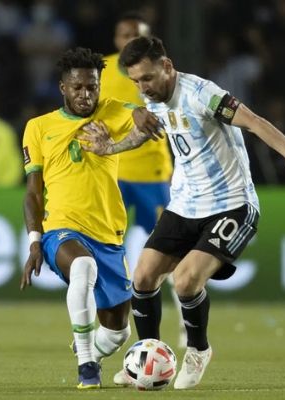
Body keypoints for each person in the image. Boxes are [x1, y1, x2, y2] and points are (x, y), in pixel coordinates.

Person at [80, 36, 285, 389]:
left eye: (148, 78)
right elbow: (147, 133)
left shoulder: (203, 95)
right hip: (185, 204)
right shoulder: (150, 98)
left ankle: (198, 350)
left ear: (167, 66)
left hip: (231, 204)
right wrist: (111, 147)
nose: (142, 88)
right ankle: (147, 353)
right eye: (136, 81)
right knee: (142, 278)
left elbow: (256, 122)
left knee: (185, 280)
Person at [19, 47, 160, 389]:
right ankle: (86, 367)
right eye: (78, 87)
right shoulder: (39, 128)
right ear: (62, 88)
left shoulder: (112, 111)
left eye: (92, 87)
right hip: (61, 229)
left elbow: (141, 114)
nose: (86, 94)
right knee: (83, 268)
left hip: (108, 233)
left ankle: (91, 350)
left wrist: (142, 113)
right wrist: (35, 242)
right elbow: (33, 193)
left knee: (117, 332)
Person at [99, 12, 187, 353]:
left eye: (136, 36)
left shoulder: (160, 75)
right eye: (124, 35)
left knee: (172, 252)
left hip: (152, 174)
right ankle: (107, 323)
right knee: (106, 249)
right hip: (115, 173)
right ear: (116, 39)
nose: (128, 41)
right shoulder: (102, 72)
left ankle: (184, 317)